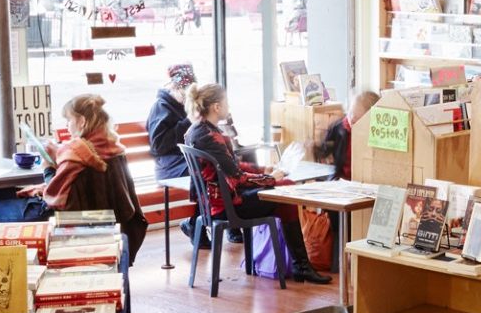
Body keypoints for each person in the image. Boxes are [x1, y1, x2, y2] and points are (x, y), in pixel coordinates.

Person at [185, 83, 330, 284]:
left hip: (212, 204)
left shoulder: (196, 131)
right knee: (285, 189)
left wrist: (263, 170)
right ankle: (301, 265)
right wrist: (272, 179)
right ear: (216, 107)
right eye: (226, 102)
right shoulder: (212, 137)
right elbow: (236, 177)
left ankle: (300, 265)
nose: (229, 106)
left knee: (283, 187)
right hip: (227, 207)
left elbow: (231, 166)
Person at [0, 95, 143, 251]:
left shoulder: (76, 151)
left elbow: (55, 196)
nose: (67, 125)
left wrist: (48, 167)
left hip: (62, 218)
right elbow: (81, 174)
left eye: (69, 120)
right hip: (99, 218)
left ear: (82, 121)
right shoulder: (112, 146)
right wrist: (60, 155)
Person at [308, 89, 379, 180]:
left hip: (365, 180)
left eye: (358, 118)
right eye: (351, 114)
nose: (352, 119)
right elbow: (326, 148)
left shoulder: (376, 135)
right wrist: (315, 147)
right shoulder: (339, 128)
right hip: (341, 178)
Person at [145, 63, 197, 179]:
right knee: (209, 168)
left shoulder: (185, 105)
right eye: (185, 94)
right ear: (174, 88)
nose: (188, 99)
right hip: (170, 165)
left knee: (219, 163)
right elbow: (158, 146)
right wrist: (188, 122)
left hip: (185, 158)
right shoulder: (160, 107)